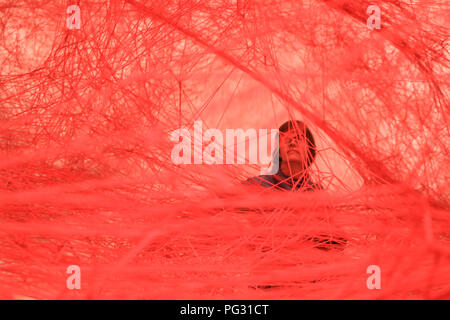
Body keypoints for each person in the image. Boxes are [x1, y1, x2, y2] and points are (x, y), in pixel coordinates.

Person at [246, 120, 321, 191]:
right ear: (279, 152)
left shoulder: (318, 194)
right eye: (287, 139)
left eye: (299, 138)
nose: (292, 143)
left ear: (310, 151)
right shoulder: (256, 186)